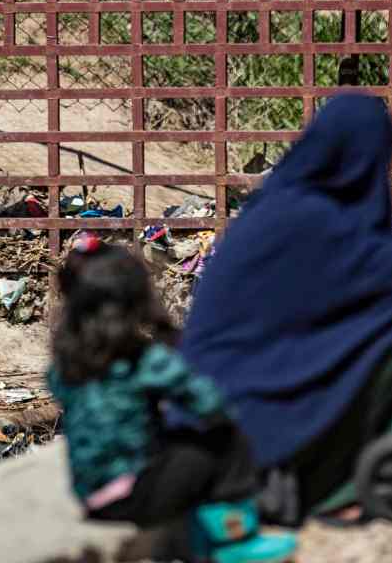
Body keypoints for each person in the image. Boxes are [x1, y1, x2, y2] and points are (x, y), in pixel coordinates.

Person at [177, 93, 392, 526]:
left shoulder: (283, 204)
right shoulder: (310, 217)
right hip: (241, 420)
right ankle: (359, 479)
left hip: (231, 403)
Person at [48, 234, 297, 563]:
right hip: (136, 495)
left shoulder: (66, 360)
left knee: (171, 442)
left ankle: (197, 535)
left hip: (91, 496)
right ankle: (235, 539)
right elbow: (208, 403)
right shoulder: (140, 359)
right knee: (225, 440)